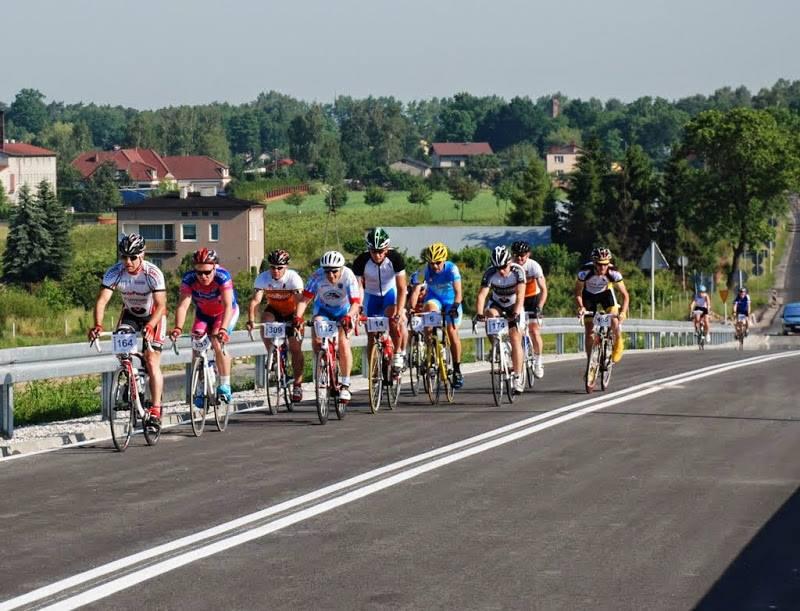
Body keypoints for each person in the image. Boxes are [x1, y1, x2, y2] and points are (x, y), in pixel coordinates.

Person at [89, 234, 167, 426]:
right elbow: (102, 301)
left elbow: (161, 305)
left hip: (154, 317)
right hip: (131, 315)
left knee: (151, 360)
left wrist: (150, 325)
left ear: (142, 255)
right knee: (122, 352)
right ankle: (132, 379)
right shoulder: (115, 272)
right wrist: (97, 325)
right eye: (124, 257)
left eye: (133, 257)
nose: (128, 262)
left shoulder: (152, 273)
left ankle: (156, 409)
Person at [170, 248, 239, 403]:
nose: (203, 276)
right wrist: (178, 328)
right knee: (196, 345)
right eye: (199, 272)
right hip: (204, 314)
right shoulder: (189, 279)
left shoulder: (222, 277)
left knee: (216, 340)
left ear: (215, 267)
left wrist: (223, 329)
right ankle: (200, 386)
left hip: (224, 313)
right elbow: (183, 305)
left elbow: (228, 306)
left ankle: (225, 384)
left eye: (207, 272)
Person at [294, 251, 361, 403]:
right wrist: (298, 317)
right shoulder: (317, 276)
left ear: (341, 269)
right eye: (327, 271)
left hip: (345, 311)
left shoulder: (348, 276)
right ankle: (323, 364)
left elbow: (356, 303)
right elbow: (304, 300)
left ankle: (345, 384)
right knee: (317, 339)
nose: (330, 275)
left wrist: (349, 316)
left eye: (334, 271)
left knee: (343, 343)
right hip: (323, 310)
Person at [246, 249, 305, 402]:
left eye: (280, 268)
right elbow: (255, 301)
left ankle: (298, 384)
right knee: (265, 321)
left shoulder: (293, 278)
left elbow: (300, 301)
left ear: (286, 267)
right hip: (274, 310)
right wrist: (251, 320)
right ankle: (272, 353)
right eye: (273, 267)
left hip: (292, 313)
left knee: (295, 349)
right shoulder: (263, 278)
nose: (276, 271)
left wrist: (298, 319)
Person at [409, 242, 464, 389]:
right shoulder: (424, 270)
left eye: (438, 262)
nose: (434, 266)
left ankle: (457, 369)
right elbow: (416, 291)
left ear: (444, 260)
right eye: (431, 263)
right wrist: (411, 308)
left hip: (451, 301)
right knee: (428, 311)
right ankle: (431, 353)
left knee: (452, 331)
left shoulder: (452, 269)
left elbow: (458, 292)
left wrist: (455, 306)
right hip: (435, 300)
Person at [352, 227, 407, 370]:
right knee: (371, 335)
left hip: (390, 292)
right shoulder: (361, 260)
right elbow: (358, 288)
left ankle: (397, 354)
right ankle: (374, 372)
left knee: (393, 322)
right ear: (369, 250)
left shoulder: (395, 258)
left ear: (386, 249)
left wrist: (399, 311)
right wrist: (359, 308)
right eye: (373, 251)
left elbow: (402, 288)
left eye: (381, 251)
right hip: (371, 295)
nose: (377, 255)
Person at [474, 245, 526, 394]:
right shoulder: (490, 273)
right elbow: (482, 295)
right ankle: (496, 346)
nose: (501, 271)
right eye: (498, 268)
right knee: (489, 314)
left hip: (514, 304)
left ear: (509, 263)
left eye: (503, 267)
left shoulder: (517, 271)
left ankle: (517, 376)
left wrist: (515, 313)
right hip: (497, 303)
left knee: (515, 338)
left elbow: (521, 295)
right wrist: (479, 313)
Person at [575, 247, 630, 364]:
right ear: (594, 263)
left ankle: (618, 340)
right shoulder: (585, 272)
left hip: (606, 294)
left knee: (614, 320)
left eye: (605, 264)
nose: (603, 267)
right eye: (600, 264)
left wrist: (623, 312)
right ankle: (590, 362)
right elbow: (578, 292)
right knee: (589, 330)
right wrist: (581, 307)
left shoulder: (613, 273)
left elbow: (625, 295)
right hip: (589, 295)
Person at [511, 240, 548, 379]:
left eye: (522, 255)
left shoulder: (533, 266)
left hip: (533, 298)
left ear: (528, 254)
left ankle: (538, 361)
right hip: (517, 299)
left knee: (534, 330)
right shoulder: (510, 265)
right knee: (516, 332)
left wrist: (540, 307)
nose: (519, 258)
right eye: (516, 255)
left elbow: (544, 290)